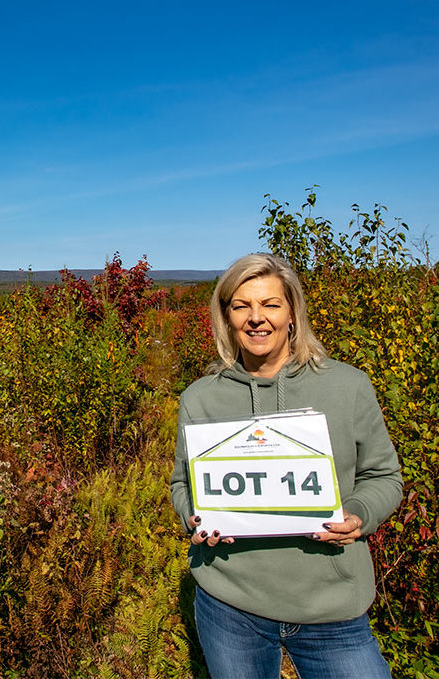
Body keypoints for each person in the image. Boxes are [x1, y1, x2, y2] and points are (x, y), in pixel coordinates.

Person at [170, 253, 402, 679]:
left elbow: (383, 476)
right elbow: (182, 484)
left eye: (270, 304)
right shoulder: (200, 398)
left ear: (292, 312)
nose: (256, 318)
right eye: (241, 306)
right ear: (226, 317)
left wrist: (360, 515)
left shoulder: (347, 386)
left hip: (332, 607)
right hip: (230, 605)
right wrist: (191, 515)